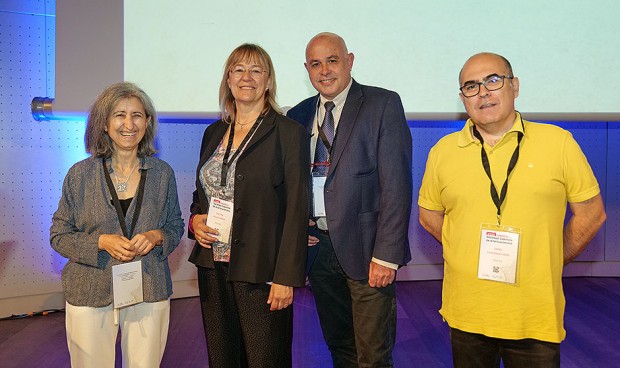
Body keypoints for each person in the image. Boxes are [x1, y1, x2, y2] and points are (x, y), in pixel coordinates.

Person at [418, 52, 607, 367]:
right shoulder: (443, 152)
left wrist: (547, 258)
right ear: (462, 97)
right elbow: (428, 216)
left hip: (534, 315)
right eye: (470, 86)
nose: (483, 93)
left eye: (493, 80)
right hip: (467, 314)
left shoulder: (558, 142)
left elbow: (592, 213)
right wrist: (463, 250)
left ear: (514, 85)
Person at [287, 32, 412, 367]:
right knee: (339, 347)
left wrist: (387, 256)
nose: (325, 70)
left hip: (368, 251)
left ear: (349, 61)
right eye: (315, 63)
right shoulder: (297, 115)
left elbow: (396, 185)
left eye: (332, 60)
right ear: (307, 69)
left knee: (373, 355)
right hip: (319, 250)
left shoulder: (382, 104)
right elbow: (291, 183)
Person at [187, 43, 309, 368]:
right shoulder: (214, 132)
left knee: (265, 359)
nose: (247, 77)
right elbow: (202, 193)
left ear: (268, 80)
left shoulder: (288, 133)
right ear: (228, 79)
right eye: (239, 69)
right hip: (213, 265)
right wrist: (195, 219)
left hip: (262, 270)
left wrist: (286, 277)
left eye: (256, 70)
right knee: (223, 359)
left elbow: (298, 209)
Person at [50, 82, 184, 367]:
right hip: (89, 287)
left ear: (147, 123)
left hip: (148, 285)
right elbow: (59, 236)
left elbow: (175, 225)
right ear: (105, 122)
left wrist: (157, 235)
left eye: (137, 115)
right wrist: (101, 242)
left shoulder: (162, 174)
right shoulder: (79, 175)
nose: (129, 124)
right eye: (119, 115)